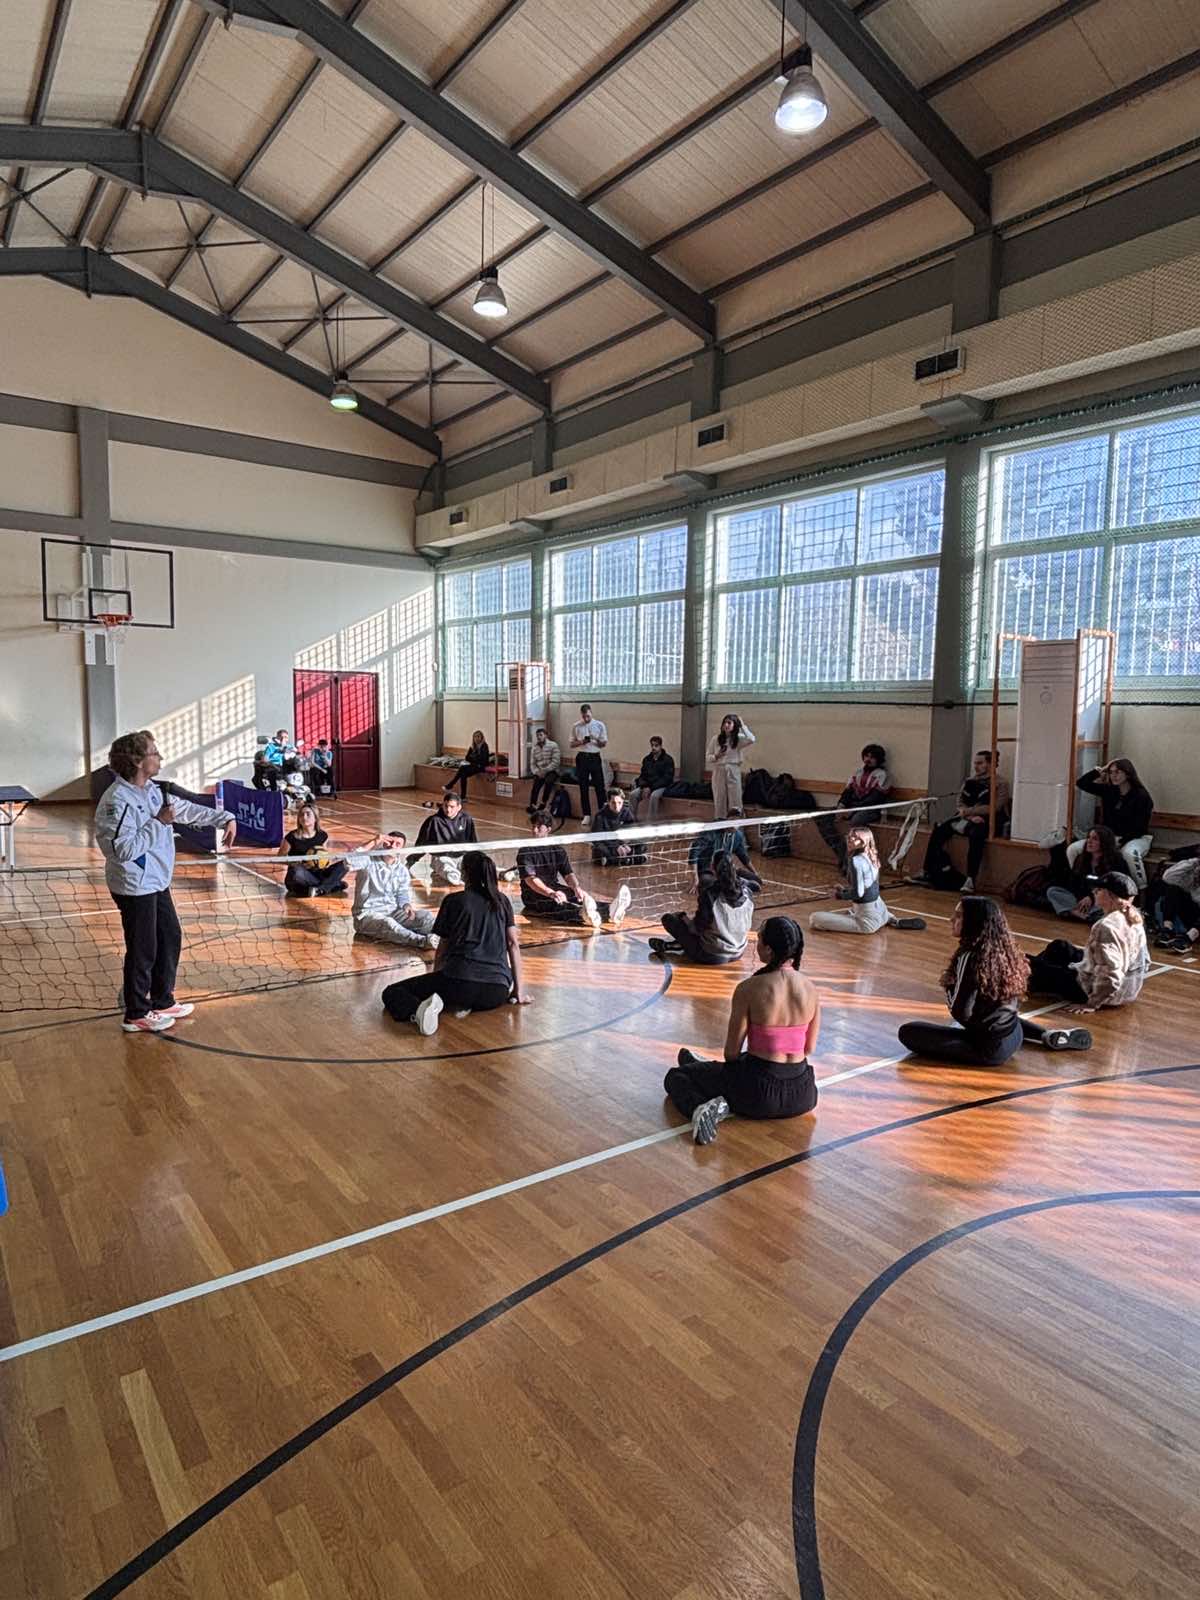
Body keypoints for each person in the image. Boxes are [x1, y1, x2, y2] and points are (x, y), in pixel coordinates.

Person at [95, 729, 237, 1033]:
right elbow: (121, 851)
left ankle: (162, 1000)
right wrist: (158, 822)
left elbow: (184, 810)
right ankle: (136, 1012)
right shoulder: (116, 801)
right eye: (154, 753)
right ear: (137, 761)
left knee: (169, 936)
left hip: (156, 881)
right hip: (134, 885)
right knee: (143, 947)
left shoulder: (153, 791)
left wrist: (224, 818)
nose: (160, 757)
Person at [665, 916, 819, 1145]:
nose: (756, 944)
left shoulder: (749, 988)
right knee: (726, 1067)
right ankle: (704, 1067)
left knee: (676, 1076)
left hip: (758, 1094)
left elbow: (731, 1054)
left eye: (759, 939)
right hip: (803, 1093)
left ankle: (701, 1107)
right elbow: (808, 1048)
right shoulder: (811, 989)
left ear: (768, 949)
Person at [897, 896, 1092, 1064]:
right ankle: (1044, 1034)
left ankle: (1035, 1036)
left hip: (988, 1049)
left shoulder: (970, 957)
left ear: (973, 922)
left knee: (909, 1032)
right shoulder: (1003, 951)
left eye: (958, 916)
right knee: (1001, 1014)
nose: (951, 919)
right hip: (1014, 1035)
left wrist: (950, 988)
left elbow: (960, 1012)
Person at [380, 852, 529, 1033]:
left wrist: (435, 986)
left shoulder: (453, 901)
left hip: (459, 984)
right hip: (497, 992)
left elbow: (442, 948)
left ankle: (417, 1012)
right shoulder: (502, 901)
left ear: (465, 873)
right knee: (493, 980)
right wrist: (519, 991)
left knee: (392, 992)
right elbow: (513, 944)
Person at [1026, 872, 1150, 1012]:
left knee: (1029, 962)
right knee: (1059, 946)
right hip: (1128, 990)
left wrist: (1091, 1004)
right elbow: (1145, 962)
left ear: (1111, 896)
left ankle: (1032, 980)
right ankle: (1035, 981)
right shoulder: (1134, 917)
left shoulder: (1106, 927)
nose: (1094, 892)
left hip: (1099, 993)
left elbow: (1111, 976)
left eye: (1099, 890)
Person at [907, 749, 1010, 893]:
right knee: (939, 829)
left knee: (977, 835)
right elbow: (960, 801)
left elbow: (996, 807)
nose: (976, 766)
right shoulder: (970, 781)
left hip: (988, 820)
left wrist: (970, 813)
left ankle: (970, 879)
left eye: (980, 763)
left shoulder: (1001, 783)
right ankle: (926, 870)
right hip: (968, 817)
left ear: (990, 764)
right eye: (975, 763)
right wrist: (968, 815)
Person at [516, 813, 631, 928]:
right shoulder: (525, 852)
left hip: (554, 887)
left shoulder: (557, 850)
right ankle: (582, 915)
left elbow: (568, 874)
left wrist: (576, 888)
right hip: (532, 895)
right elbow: (531, 880)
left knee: (579, 897)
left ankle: (610, 909)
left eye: (539, 827)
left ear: (548, 829)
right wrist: (550, 893)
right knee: (558, 902)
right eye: (533, 826)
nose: (534, 830)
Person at [650, 850, 761, 964]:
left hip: (711, 955)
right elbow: (757, 884)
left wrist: (684, 918)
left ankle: (679, 944)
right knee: (709, 929)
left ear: (713, 868)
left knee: (670, 919)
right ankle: (677, 944)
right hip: (739, 952)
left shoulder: (710, 895)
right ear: (734, 867)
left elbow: (697, 928)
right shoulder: (747, 891)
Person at [810, 827, 924, 934]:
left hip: (867, 922)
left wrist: (838, 895)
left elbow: (858, 894)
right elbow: (866, 888)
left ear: (864, 841)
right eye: (849, 836)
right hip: (881, 910)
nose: (849, 839)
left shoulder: (855, 861)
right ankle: (891, 919)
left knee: (814, 919)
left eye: (855, 837)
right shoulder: (871, 855)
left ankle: (863, 919)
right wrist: (844, 890)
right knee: (851, 911)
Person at [1070, 760, 1154, 888]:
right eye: (1111, 772)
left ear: (1128, 774)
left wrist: (1121, 840)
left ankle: (1140, 890)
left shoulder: (1141, 796)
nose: (1113, 776)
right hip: (1109, 837)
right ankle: (1078, 883)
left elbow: (1140, 827)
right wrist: (1100, 770)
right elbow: (1081, 783)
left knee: (1129, 854)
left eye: (1117, 772)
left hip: (1136, 838)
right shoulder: (1110, 791)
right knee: (1073, 849)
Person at [353, 831, 437, 948]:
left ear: (401, 849)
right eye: (390, 842)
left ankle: (446, 936)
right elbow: (349, 862)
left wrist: (406, 905)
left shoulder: (402, 870)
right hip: (367, 916)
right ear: (384, 843)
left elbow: (402, 893)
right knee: (389, 923)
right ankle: (422, 942)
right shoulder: (368, 861)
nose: (393, 846)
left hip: (393, 912)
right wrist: (374, 842)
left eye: (397, 844)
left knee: (425, 916)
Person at [816, 744, 892, 864]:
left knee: (856, 820)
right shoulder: (857, 773)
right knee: (821, 816)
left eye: (872, 757)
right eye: (866, 756)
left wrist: (853, 810)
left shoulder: (883, 775)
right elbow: (847, 792)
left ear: (879, 759)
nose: (868, 759)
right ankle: (841, 851)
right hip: (851, 807)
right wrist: (841, 806)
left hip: (871, 809)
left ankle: (854, 859)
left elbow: (875, 798)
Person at [1045, 825, 1124, 921]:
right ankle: (1082, 913)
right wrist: (1084, 897)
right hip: (1083, 899)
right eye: (1088, 837)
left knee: (1111, 904)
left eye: (1095, 839)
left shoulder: (1115, 862)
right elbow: (1074, 883)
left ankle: (1078, 913)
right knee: (1053, 891)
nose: (1089, 841)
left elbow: (1115, 887)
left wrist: (1092, 898)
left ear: (1104, 843)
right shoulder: (1081, 859)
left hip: (1102, 900)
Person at [280, 802, 349, 897]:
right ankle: (332, 885)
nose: (304, 817)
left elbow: (324, 856)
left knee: (345, 864)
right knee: (296, 871)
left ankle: (321, 889)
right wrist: (295, 863)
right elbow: (280, 857)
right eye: (301, 815)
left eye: (308, 814)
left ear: (315, 818)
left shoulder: (322, 835)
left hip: (318, 873)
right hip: (300, 875)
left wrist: (326, 862)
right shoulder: (291, 837)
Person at [408, 792, 478, 885]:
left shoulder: (467, 819)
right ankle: (455, 878)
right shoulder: (433, 821)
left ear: (459, 807)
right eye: (446, 806)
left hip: (461, 857)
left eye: (452, 807)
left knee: (480, 869)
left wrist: (476, 858)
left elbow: (472, 842)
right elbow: (421, 843)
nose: (448, 810)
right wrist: (410, 862)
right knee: (450, 873)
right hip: (441, 857)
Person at [706, 714, 756, 820]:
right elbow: (708, 757)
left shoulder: (738, 739)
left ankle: (736, 823)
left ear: (735, 725)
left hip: (733, 769)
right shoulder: (716, 739)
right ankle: (720, 821)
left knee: (735, 797)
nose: (726, 725)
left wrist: (742, 725)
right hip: (719, 769)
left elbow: (751, 739)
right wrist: (716, 756)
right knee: (719, 797)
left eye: (729, 723)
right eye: (725, 722)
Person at [1151, 855, 1200, 953]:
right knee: (1173, 889)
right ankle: (1167, 930)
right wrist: (1194, 862)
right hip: (1192, 915)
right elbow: (1167, 877)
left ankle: (1188, 939)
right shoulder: (1193, 871)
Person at [590, 788, 647, 866]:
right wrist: (616, 846)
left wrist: (625, 844)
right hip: (608, 842)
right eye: (613, 803)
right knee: (600, 848)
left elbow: (631, 831)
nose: (616, 806)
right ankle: (630, 858)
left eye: (619, 803)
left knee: (642, 843)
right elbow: (597, 837)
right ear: (608, 802)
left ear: (623, 801)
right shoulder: (600, 816)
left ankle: (616, 859)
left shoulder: (626, 812)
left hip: (622, 842)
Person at [570, 703, 608, 821]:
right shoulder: (576, 726)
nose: (586, 719)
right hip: (582, 757)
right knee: (583, 787)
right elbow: (571, 744)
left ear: (591, 713)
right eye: (584, 716)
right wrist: (582, 741)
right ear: (581, 715)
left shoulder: (599, 725)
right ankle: (586, 814)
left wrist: (594, 739)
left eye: (588, 716)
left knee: (599, 786)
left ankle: (602, 813)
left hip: (594, 757)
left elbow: (603, 744)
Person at [628, 736, 676, 823]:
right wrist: (644, 786)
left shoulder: (668, 760)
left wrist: (651, 788)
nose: (654, 748)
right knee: (633, 795)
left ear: (661, 746)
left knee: (654, 796)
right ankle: (631, 819)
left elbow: (667, 778)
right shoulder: (647, 759)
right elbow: (642, 776)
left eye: (656, 745)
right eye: (652, 745)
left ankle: (650, 822)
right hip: (647, 786)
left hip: (662, 786)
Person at [689, 820, 753, 882]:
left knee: (753, 879)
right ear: (727, 820)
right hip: (707, 870)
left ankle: (737, 882)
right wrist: (695, 877)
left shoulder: (738, 836)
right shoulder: (711, 832)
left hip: (727, 869)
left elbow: (744, 857)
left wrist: (755, 873)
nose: (734, 824)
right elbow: (694, 851)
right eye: (732, 820)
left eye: (737, 822)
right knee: (709, 882)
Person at [446, 729, 490, 801]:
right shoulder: (473, 746)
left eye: (478, 736)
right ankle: (462, 797)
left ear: (481, 737)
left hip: (481, 767)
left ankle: (451, 785)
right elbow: (467, 758)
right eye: (475, 737)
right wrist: (475, 759)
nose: (476, 738)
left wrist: (474, 758)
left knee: (463, 769)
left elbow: (484, 760)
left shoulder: (484, 746)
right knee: (463, 774)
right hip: (474, 765)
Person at [527, 728, 561, 813]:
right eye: (537, 735)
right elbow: (532, 763)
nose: (539, 737)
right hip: (540, 771)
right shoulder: (535, 748)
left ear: (546, 735)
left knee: (548, 781)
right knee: (535, 785)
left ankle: (543, 802)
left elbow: (556, 762)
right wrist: (536, 772)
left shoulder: (553, 745)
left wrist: (545, 770)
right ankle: (532, 805)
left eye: (541, 735)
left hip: (552, 770)